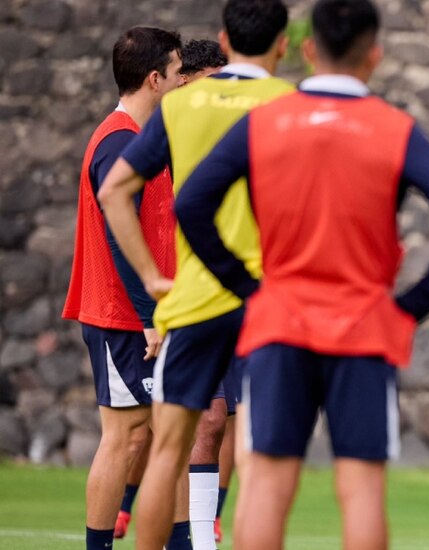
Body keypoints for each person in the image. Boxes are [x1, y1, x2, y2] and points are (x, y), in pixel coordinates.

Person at [174, 1, 429, 547]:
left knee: (267, 482)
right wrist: (412, 305)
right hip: (363, 330)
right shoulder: (394, 128)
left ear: (309, 48)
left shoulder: (266, 121)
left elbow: (193, 203)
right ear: (376, 55)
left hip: (280, 324)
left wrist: (245, 287)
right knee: (360, 488)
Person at [97, 1, 293, 549]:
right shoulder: (290, 105)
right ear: (283, 44)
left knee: (168, 449)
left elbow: (113, 191)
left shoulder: (182, 106)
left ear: (224, 39)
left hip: (196, 299)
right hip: (267, 303)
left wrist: (151, 278)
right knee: (258, 448)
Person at [60, 26, 187, 550]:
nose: (184, 83)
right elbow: (119, 240)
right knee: (126, 437)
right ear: (155, 79)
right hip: (123, 319)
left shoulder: (139, 141)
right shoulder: (118, 144)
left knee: (167, 435)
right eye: (179, 73)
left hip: (145, 316)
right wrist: (147, 317)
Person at [110, 36, 232, 544]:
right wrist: (150, 294)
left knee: (216, 422)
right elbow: (115, 199)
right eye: (190, 79)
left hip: (231, 295)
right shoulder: (150, 132)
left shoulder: (225, 126)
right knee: (158, 431)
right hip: (183, 301)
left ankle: (202, 528)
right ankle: (128, 515)